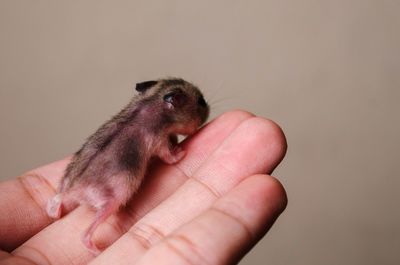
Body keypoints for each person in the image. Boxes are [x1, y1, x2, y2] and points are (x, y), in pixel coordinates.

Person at [0, 110, 287, 265]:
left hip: (79, 177)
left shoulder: (134, 118)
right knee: (117, 196)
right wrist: (174, 154)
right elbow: (169, 154)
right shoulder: (153, 129)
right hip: (107, 183)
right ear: (174, 104)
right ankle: (89, 235)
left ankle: (60, 197)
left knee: (86, 162)